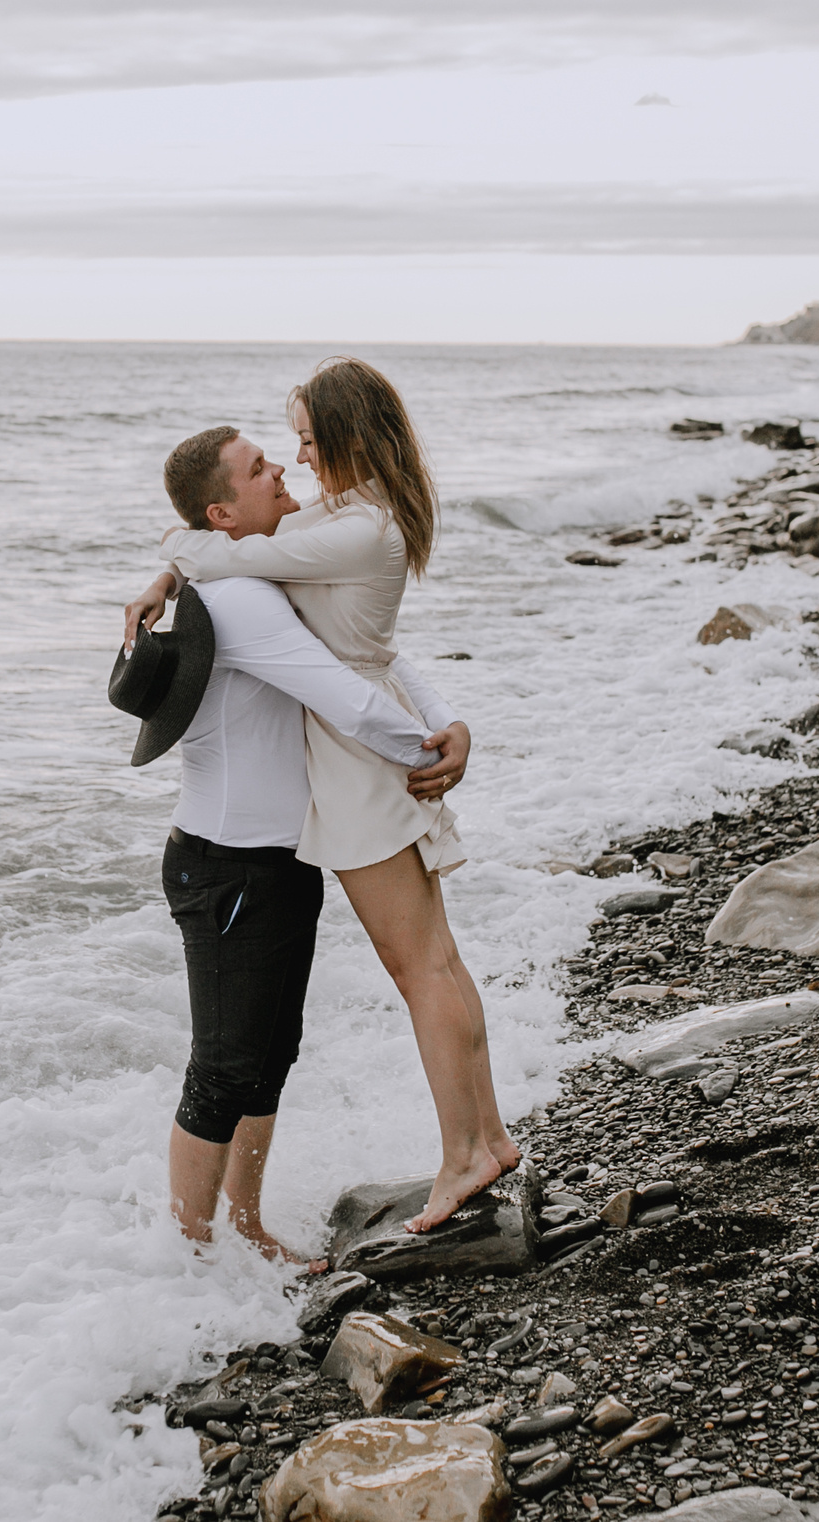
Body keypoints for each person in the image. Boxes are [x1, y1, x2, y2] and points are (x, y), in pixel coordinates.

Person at [126, 357, 518, 1233]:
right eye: (277, 455)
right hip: (321, 795)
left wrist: (173, 557)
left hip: (358, 774)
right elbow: (360, 644)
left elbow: (336, 662)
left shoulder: (338, 532)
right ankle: (481, 1140)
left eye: (301, 443)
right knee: (431, 967)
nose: (294, 463)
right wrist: (179, 570)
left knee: (422, 971)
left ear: (343, 439)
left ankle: (467, 1154)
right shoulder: (347, 518)